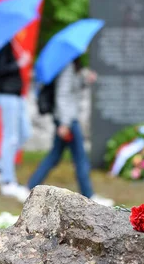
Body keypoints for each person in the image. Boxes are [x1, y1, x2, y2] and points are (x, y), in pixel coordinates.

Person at [27, 57, 114, 207]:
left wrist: (86, 80)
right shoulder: (67, 66)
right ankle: (89, 194)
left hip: (66, 119)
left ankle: (30, 186)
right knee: (80, 158)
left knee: (54, 156)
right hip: (68, 121)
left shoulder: (71, 65)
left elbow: (72, 89)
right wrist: (65, 123)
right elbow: (63, 95)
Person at [0, 41, 32, 203]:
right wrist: (20, 63)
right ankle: (7, 182)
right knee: (10, 137)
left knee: (25, 133)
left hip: (16, 93)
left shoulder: (9, 44)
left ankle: (0, 168)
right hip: (6, 93)